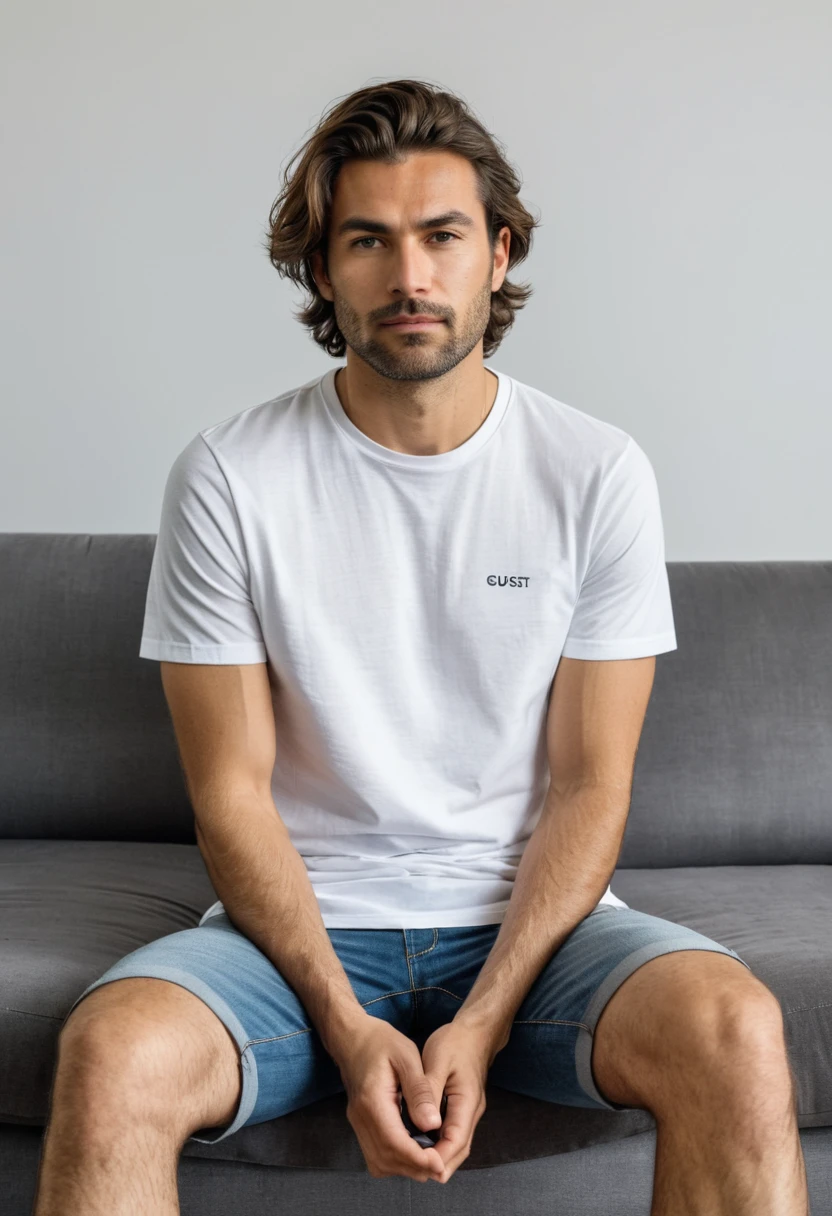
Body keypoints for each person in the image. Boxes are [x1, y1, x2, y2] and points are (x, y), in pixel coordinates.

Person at [34, 78, 808, 1213]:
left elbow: (591, 783)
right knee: (112, 1053)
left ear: (496, 255)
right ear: (320, 271)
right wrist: (347, 1033)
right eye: (368, 241)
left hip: (533, 936)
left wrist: (486, 1016)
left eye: (442, 236)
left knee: (734, 1026)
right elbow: (232, 795)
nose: (410, 276)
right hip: (298, 936)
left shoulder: (594, 472)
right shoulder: (231, 476)